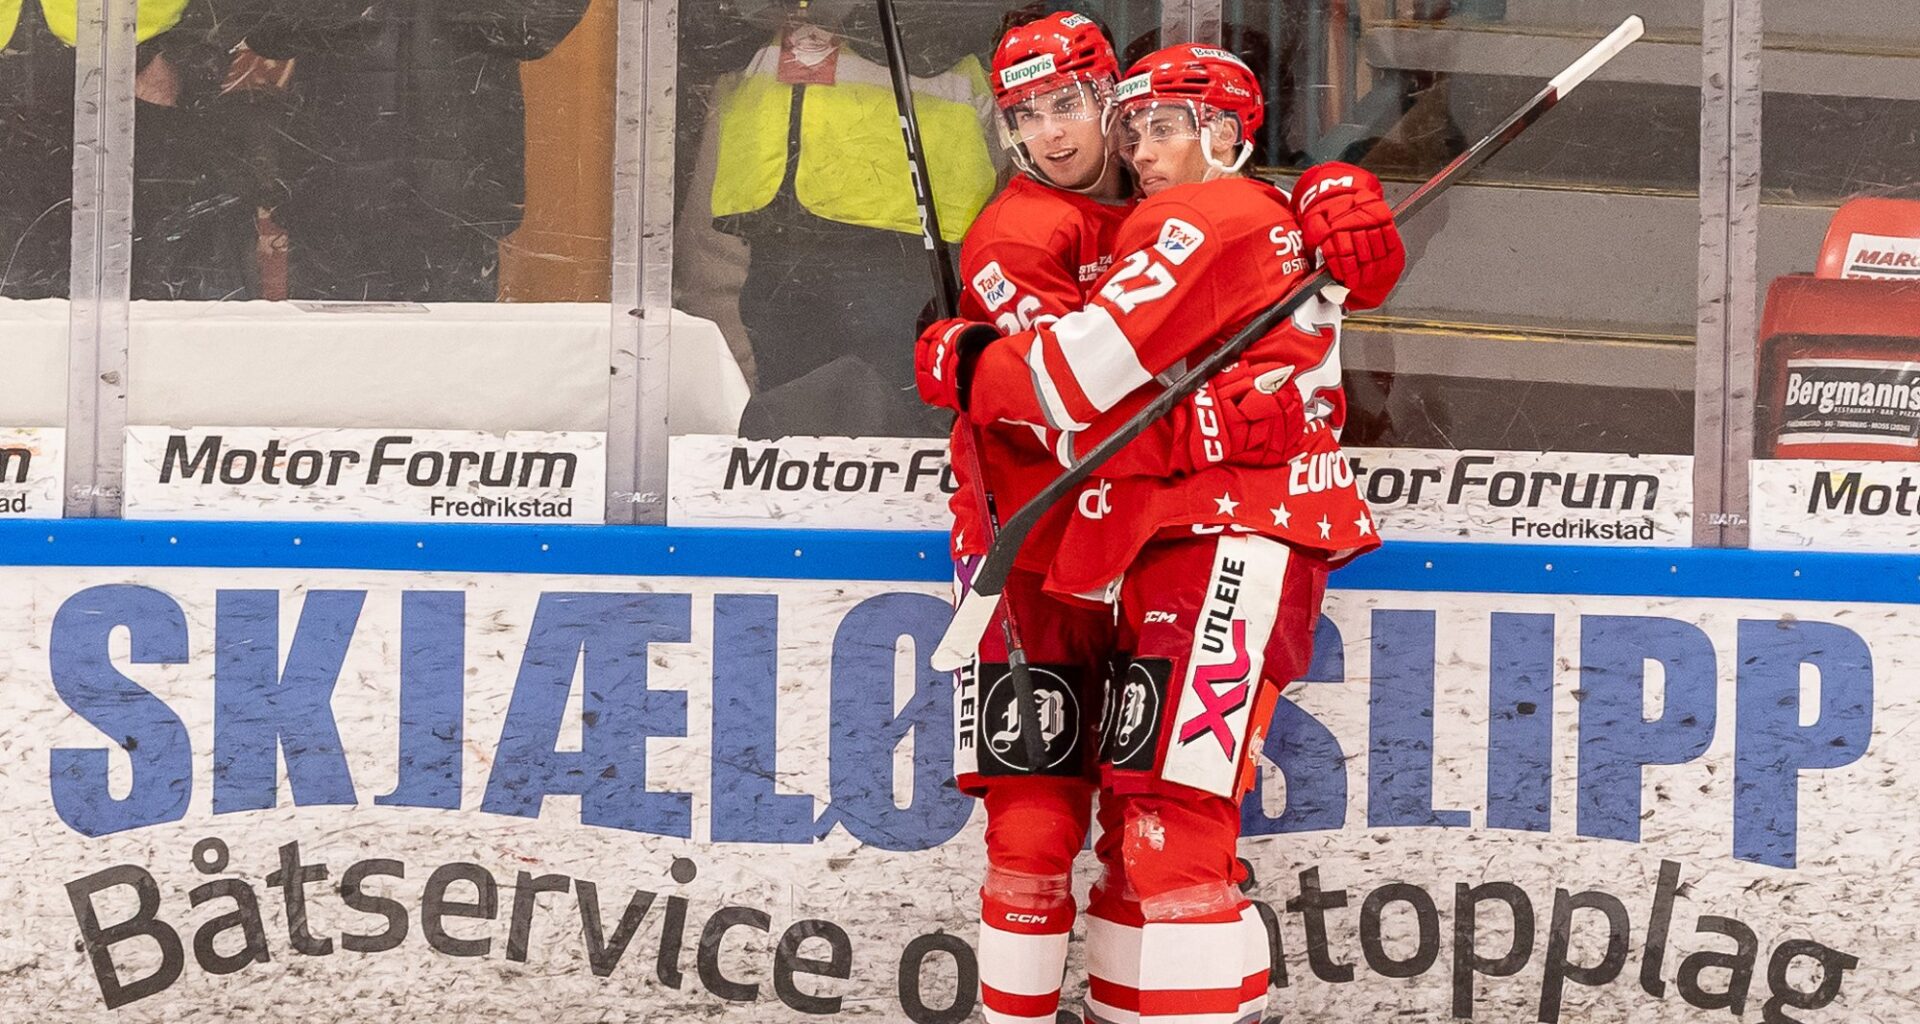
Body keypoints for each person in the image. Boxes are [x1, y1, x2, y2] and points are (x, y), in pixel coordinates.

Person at [916, 42, 1406, 1023]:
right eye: (1137, 125)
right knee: (1118, 816)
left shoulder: (1197, 214)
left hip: (1221, 539)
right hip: (1110, 547)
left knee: (1169, 827)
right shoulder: (1055, 229)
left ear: (1226, 134)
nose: (1139, 145)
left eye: (1161, 124)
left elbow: (1077, 385)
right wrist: (1320, 195)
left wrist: (964, 363)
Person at [239, 0, 588, 302]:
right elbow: (261, 23)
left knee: (453, 366)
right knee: (338, 363)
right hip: (334, 194)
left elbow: (542, 22)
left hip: (458, 197)